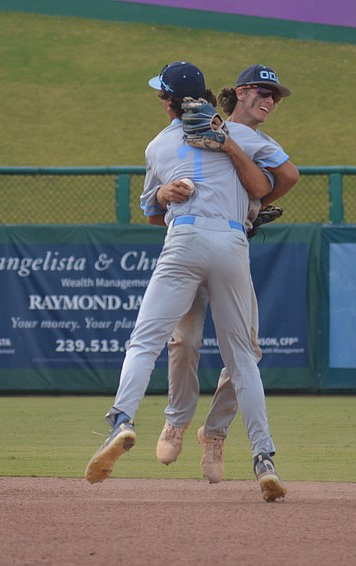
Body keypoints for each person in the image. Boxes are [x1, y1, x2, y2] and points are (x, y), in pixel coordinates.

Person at [84, 61, 287, 502]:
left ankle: (122, 420)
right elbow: (283, 176)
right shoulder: (244, 136)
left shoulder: (157, 146)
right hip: (232, 241)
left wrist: (162, 195)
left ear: (167, 102)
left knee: (145, 341)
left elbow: (152, 212)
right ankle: (263, 457)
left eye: (161, 95)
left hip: (185, 238)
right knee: (242, 359)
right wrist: (231, 150)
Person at [154, 65, 299, 486]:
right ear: (239, 92)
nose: (269, 100)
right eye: (262, 91)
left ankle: (213, 434)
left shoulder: (260, 142)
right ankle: (176, 421)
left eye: (275, 95)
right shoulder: (195, 128)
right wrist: (164, 194)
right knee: (183, 338)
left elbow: (288, 176)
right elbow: (158, 187)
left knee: (246, 353)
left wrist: (252, 207)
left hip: (230, 247)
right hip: (188, 241)